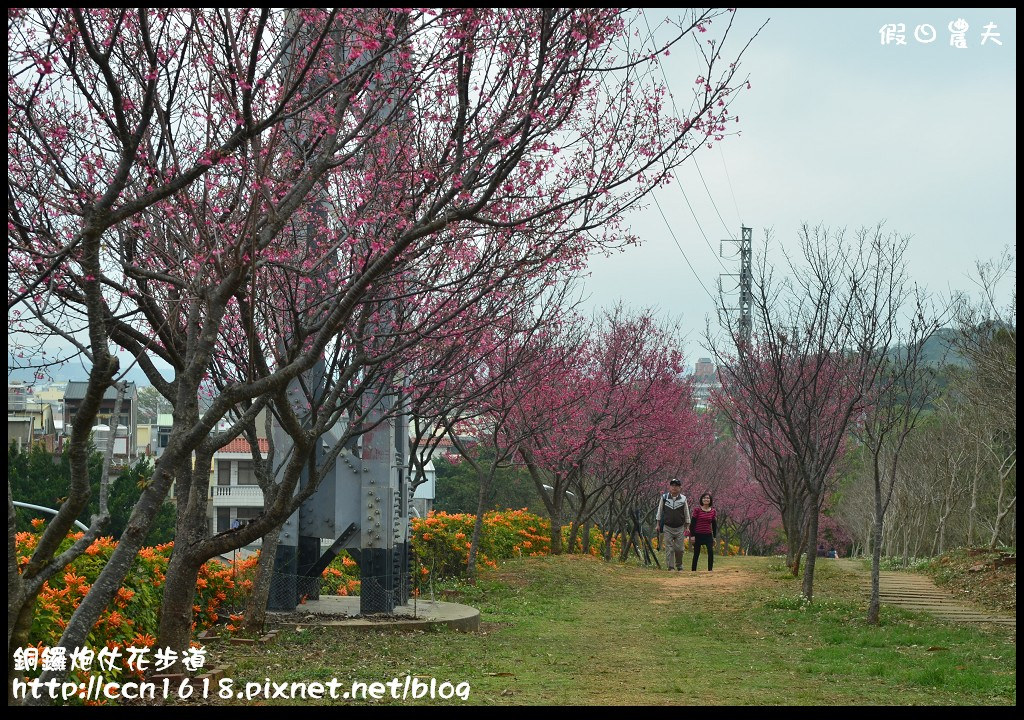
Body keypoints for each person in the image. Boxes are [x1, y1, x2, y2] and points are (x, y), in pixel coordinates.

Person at [655, 479, 691, 571]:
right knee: (669, 549)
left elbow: (686, 512)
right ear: (669, 487)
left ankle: (679, 565)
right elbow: (660, 511)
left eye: (676, 486)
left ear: (680, 488)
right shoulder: (664, 497)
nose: (674, 487)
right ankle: (670, 567)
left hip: (680, 527)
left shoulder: (683, 498)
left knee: (680, 549)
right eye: (672, 485)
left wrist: (687, 526)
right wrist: (658, 524)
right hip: (667, 527)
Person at [689, 492, 717, 572]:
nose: (706, 499)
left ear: (710, 500)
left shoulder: (713, 511)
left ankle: (710, 570)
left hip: (708, 535)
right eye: (704, 498)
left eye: (708, 498)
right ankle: (693, 570)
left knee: (710, 551)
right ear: (701, 499)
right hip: (697, 534)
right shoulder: (697, 510)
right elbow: (693, 523)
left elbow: (714, 525)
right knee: (696, 553)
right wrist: (692, 535)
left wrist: (714, 537)